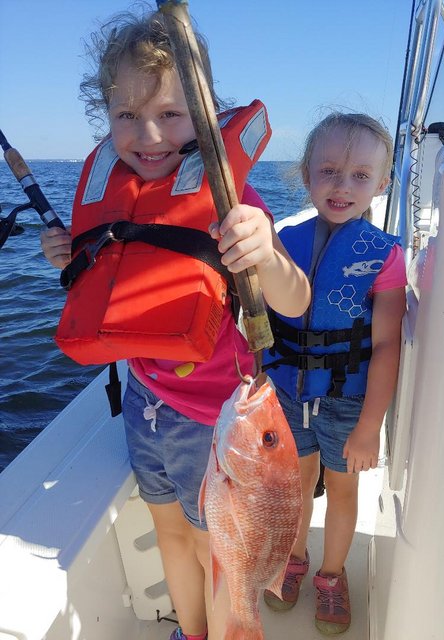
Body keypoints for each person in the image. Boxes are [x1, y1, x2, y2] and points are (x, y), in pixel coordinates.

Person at [41, 10, 310, 640]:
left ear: (209, 115)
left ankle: (231, 628)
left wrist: (264, 252)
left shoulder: (230, 200)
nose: (149, 135)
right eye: (126, 116)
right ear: (105, 117)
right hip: (146, 402)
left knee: (211, 544)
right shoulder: (110, 196)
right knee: (167, 529)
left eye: (171, 114)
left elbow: (294, 300)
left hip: (216, 425)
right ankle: (190, 632)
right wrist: (70, 254)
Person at [262, 112, 407, 635]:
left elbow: (387, 344)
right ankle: (294, 559)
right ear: (306, 175)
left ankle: (330, 574)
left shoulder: (385, 256)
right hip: (286, 393)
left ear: (383, 183)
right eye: (329, 171)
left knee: (343, 490)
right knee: (295, 486)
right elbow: (257, 320)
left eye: (360, 176)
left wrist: (371, 427)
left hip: (348, 400)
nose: (342, 186)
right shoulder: (282, 242)